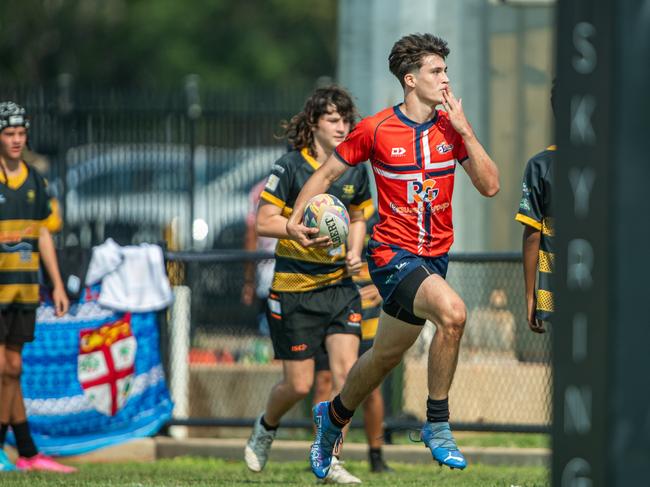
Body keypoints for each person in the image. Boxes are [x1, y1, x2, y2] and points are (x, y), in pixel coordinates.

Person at [285, 33, 500, 479]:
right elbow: (325, 173)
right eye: (435, 71)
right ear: (410, 79)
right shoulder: (376, 129)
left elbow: (491, 185)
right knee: (454, 314)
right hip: (391, 254)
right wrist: (295, 218)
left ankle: (334, 417)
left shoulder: (450, 128)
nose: (445, 79)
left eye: (446, 70)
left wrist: (466, 131)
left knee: (383, 357)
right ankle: (437, 423)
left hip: (434, 260)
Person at [244, 86, 373, 484]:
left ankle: (330, 457)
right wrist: (294, 231)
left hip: (339, 287)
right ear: (314, 123)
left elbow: (357, 217)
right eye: (333, 119)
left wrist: (355, 250)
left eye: (346, 119)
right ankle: (266, 427)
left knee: (347, 374)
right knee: (298, 384)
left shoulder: (354, 167)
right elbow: (264, 220)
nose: (342, 126)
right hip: (294, 288)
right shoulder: (290, 167)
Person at [0, 101, 76, 473]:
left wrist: (57, 285)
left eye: (20, 133)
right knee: (1, 366)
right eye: (9, 134)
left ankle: (26, 452)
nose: (16, 140)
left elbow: (44, 233)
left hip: (24, 289)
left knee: (13, 367)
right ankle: (12, 449)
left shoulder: (35, 179)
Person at [312, 210, 393, 474]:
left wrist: (384, 289)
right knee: (325, 381)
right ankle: (324, 455)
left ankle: (376, 454)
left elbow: (399, 259)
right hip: (332, 306)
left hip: (366, 311)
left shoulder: (378, 217)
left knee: (370, 388)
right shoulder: (323, 210)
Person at [515, 81, 557, 334]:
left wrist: (530, 297)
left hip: (556, 292)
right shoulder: (617, 159)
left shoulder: (541, 166)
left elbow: (533, 235)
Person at [241, 178, 277, 336]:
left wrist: (249, 281)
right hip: (297, 275)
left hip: (270, 277)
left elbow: (251, 237)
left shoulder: (261, 189)